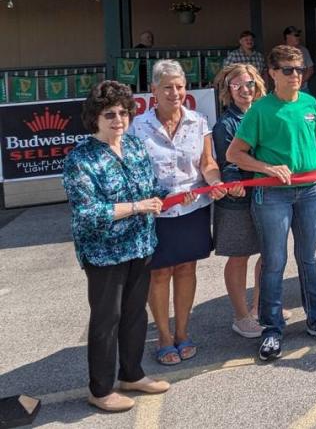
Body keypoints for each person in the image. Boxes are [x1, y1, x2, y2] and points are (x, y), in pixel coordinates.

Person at [226, 44, 316, 362]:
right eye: (288, 70)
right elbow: (234, 154)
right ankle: (271, 330)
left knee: (309, 259)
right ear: (273, 73)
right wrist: (267, 168)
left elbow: (315, 150)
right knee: (274, 262)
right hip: (273, 194)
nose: (296, 76)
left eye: (301, 70)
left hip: (311, 191)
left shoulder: (310, 103)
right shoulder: (260, 110)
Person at [62, 81, 170, 412]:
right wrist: (138, 206)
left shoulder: (136, 147)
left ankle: (132, 374)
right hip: (104, 254)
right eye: (110, 114)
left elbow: (152, 188)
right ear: (95, 117)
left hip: (140, 245)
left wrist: (170, 196)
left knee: (136, 315)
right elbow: (88, 214)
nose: (119, 119)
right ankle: (100, 389)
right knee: (107, 319)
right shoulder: (80, 159)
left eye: (124, 112)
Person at [130, 60, 227, 366]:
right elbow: (132, 172)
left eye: (180, 86)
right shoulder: (136, 127)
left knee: (186, 269)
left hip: (192, 209)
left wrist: (215, 182)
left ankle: (183, 332)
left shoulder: (199, 122)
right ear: (153, 91)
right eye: (168, 87)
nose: (175, 93)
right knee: (158, 273)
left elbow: (207, 163)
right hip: (156, 212)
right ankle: (163, 335)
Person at [211, 63, 267, 338]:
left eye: (250, 84)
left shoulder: (263, 114)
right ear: (228, 90)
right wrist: (234, 182)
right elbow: (227, 161)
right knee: (239, 257)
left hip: (265, 196)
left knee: (269, 254)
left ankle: (259, 309)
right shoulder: (225, 123)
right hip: (237, 202)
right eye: (238, 85)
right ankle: (241, 316)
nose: (246, 90)